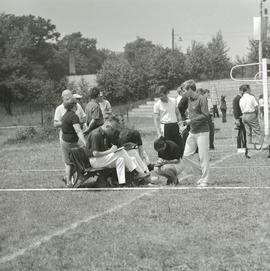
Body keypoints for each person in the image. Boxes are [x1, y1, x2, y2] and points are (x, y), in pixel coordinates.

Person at [85, 120, 149, 186]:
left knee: (120, 159)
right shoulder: (96, 134)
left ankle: (122, 183)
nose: (113, 132)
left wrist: (116, 149)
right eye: (112, 129)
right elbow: (95, 153)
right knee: (121, 152)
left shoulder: (104, 134)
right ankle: (135, 173)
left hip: (101, 159)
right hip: (94, 161)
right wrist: (110, 151)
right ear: (107, 126)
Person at [181, 80, 210, 187]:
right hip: (192, 131)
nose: (183, 92)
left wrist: (191, 121)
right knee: (186, 155)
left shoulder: (202, 99)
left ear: (189, 89)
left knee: (203, 157)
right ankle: (201, 173)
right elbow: (192, 114)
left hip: (202, 132)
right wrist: (186, 124)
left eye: (184, 90)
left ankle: (205, 180)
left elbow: (206, 116)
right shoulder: (189, 99)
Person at [54, 89, 86, 183]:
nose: (69, 98)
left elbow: (83, 118)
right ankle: (71, 180)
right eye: (67, 97)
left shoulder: (76, 106)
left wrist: (77, 121)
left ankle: (67, 179)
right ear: (62, 98)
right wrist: (69, 123)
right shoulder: (60, 109)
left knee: (73, 161)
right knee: (71, 161)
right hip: (67, 138)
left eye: (70, 96)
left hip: (74, 138)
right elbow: (55, 124)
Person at [60, 98, 87, 187]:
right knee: (79, 159)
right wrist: (85, 143)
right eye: (76, 105)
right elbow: (78, 131)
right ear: (73, 106)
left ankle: (67, 180)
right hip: (71, 142)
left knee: (69, 163)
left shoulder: (65, 115)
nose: (77, 106)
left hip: (64, 141)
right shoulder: (73, 116)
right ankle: (74, 179)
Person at [153, 85, 183, 156]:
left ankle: (178, 160)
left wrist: (181, 125)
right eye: (159, 96)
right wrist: (158, 132)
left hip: (175, 125)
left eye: (162, 95)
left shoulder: (173, 101)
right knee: (166, 147)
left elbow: (178, 113)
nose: (160, 97)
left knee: (179, 145)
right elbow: (156, 119)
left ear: (166, 93)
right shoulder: (157, 105)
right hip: (165, 127)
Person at [239, 84, 264, 149]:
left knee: (248, 132)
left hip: (244, 115)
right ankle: (260, 145)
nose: (250, 90)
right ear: (247, 90)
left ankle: (249, 145)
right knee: (257, 130)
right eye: (249, 89)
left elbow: (241, 108)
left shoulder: (241, 98)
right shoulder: (251, 97)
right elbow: (256, 107)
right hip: (251, 114)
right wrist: (256, 114)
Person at [233, 87, 247, 154]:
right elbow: (235, 110)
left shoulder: (240, 98)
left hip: (242, 118)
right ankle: (240, 147)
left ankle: (243, 147)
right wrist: (237, 119)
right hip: (239, 118)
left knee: (243, 132)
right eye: (244, 92)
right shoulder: (237, 98)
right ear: (241, 91)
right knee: (241, 133)